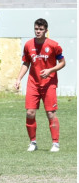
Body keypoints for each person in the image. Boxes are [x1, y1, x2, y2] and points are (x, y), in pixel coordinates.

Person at [14, 18, 65, 152]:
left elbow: (62, 63)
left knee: (50, 113)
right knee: (30, 112)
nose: (38, 31)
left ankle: (55, 143)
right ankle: (33, 142)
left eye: (41, 29)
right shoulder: (28, 45)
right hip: (33, 83)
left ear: (46, 31)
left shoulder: (54, 45)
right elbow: (26, 63)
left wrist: (50, 70)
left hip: (49, 84)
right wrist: (19, 79)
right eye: (36, 29)